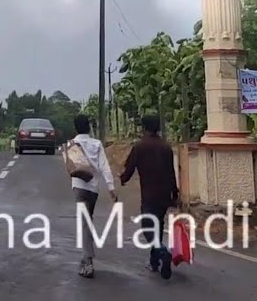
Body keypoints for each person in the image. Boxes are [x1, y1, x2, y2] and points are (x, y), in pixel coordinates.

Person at [119, 114, 179, 279]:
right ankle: (154, 262)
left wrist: (122, 179)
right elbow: (171, 172)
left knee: (147, 227)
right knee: (158, 225)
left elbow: (130, 168)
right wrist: (175, 193)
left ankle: (162, 252)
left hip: (150, 194)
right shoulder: (166, 147)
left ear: (143, 128)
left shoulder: (140, 146)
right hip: (165, 194)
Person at [69, 114, 117, 278]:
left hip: (79, 187)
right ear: (88, 127)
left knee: (85, 223)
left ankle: (88, 261)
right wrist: (111, 187)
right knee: (87, 220)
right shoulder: (96, 144)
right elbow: (104, 166)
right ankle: (86, 258)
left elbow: (71, 169)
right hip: (93, 189)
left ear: (75, 128)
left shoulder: (72, 144)